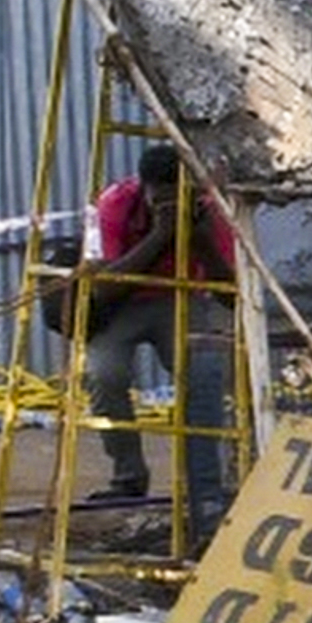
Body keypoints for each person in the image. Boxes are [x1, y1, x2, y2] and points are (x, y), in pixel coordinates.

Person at [75, 142, 240, 533]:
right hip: (126, 302)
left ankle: (207, 494)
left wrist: (200, 240)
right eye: (159, 201)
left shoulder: (210, 211)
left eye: (177, 200)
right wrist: (161, 235)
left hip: (183, 296)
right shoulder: (115, 202)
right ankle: (128, 478)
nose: (169, 207)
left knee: (204, 376)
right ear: (143, 188)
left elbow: (230, 295)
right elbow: (105, 288)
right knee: (102, 372)